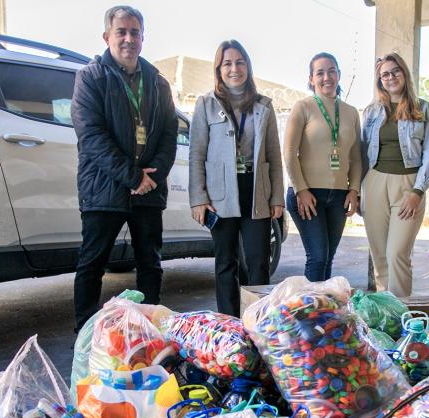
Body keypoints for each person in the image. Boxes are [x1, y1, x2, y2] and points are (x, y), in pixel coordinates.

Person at [71, 5, 177, 332]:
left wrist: (151, 177)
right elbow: (91, 136)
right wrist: (132, 177)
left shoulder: (158, 83)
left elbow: (169, 134)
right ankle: (86, 338)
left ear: (143, 39)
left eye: (135, 33)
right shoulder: (90, 77)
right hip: (104, 190)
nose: (128, 39)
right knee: (92, 266)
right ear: (107, 36)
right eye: (122, 32)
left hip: (148, 191)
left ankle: (148, 334)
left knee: (150, 266)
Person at [189, 40, 285, 316]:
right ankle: (229, 325)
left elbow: (274, 156)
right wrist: (199, 198)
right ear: (219, 69)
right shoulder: (206, 104)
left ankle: (258, 323)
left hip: (256, 190)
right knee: (226, 263)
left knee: (258, 262)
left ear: (248, 66)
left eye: (240, 62)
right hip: (221, 194)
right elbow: (197, 154)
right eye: (227, 63)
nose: (234, 69)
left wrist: (277, 197)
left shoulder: (264, 106)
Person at [359, 53, 429, 297]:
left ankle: (403, 313)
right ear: (379, 80)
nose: (391, 77)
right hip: (374, 183)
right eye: (385, 74)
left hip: (408, 185)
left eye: (395, 71)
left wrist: (417, 191)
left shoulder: (423, 109)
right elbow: (362, 152)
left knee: (397, 254)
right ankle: (386, 316)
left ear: (404, 73)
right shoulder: (371, 112)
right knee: (380, 256)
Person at [283, 52, 362, 282]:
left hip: (339, 195)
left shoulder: (350, 112)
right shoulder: (303, 107)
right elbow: (289, 152)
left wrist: (354, 190)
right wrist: (301, 189)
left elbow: (356, 157)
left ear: (338, 74)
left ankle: (323, 313)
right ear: (311, 79)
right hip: (307, 194)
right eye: (320, 72)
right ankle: (309, 314)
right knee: (317, 257)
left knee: (328, 258)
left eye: (332, 71)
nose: (327, 77)